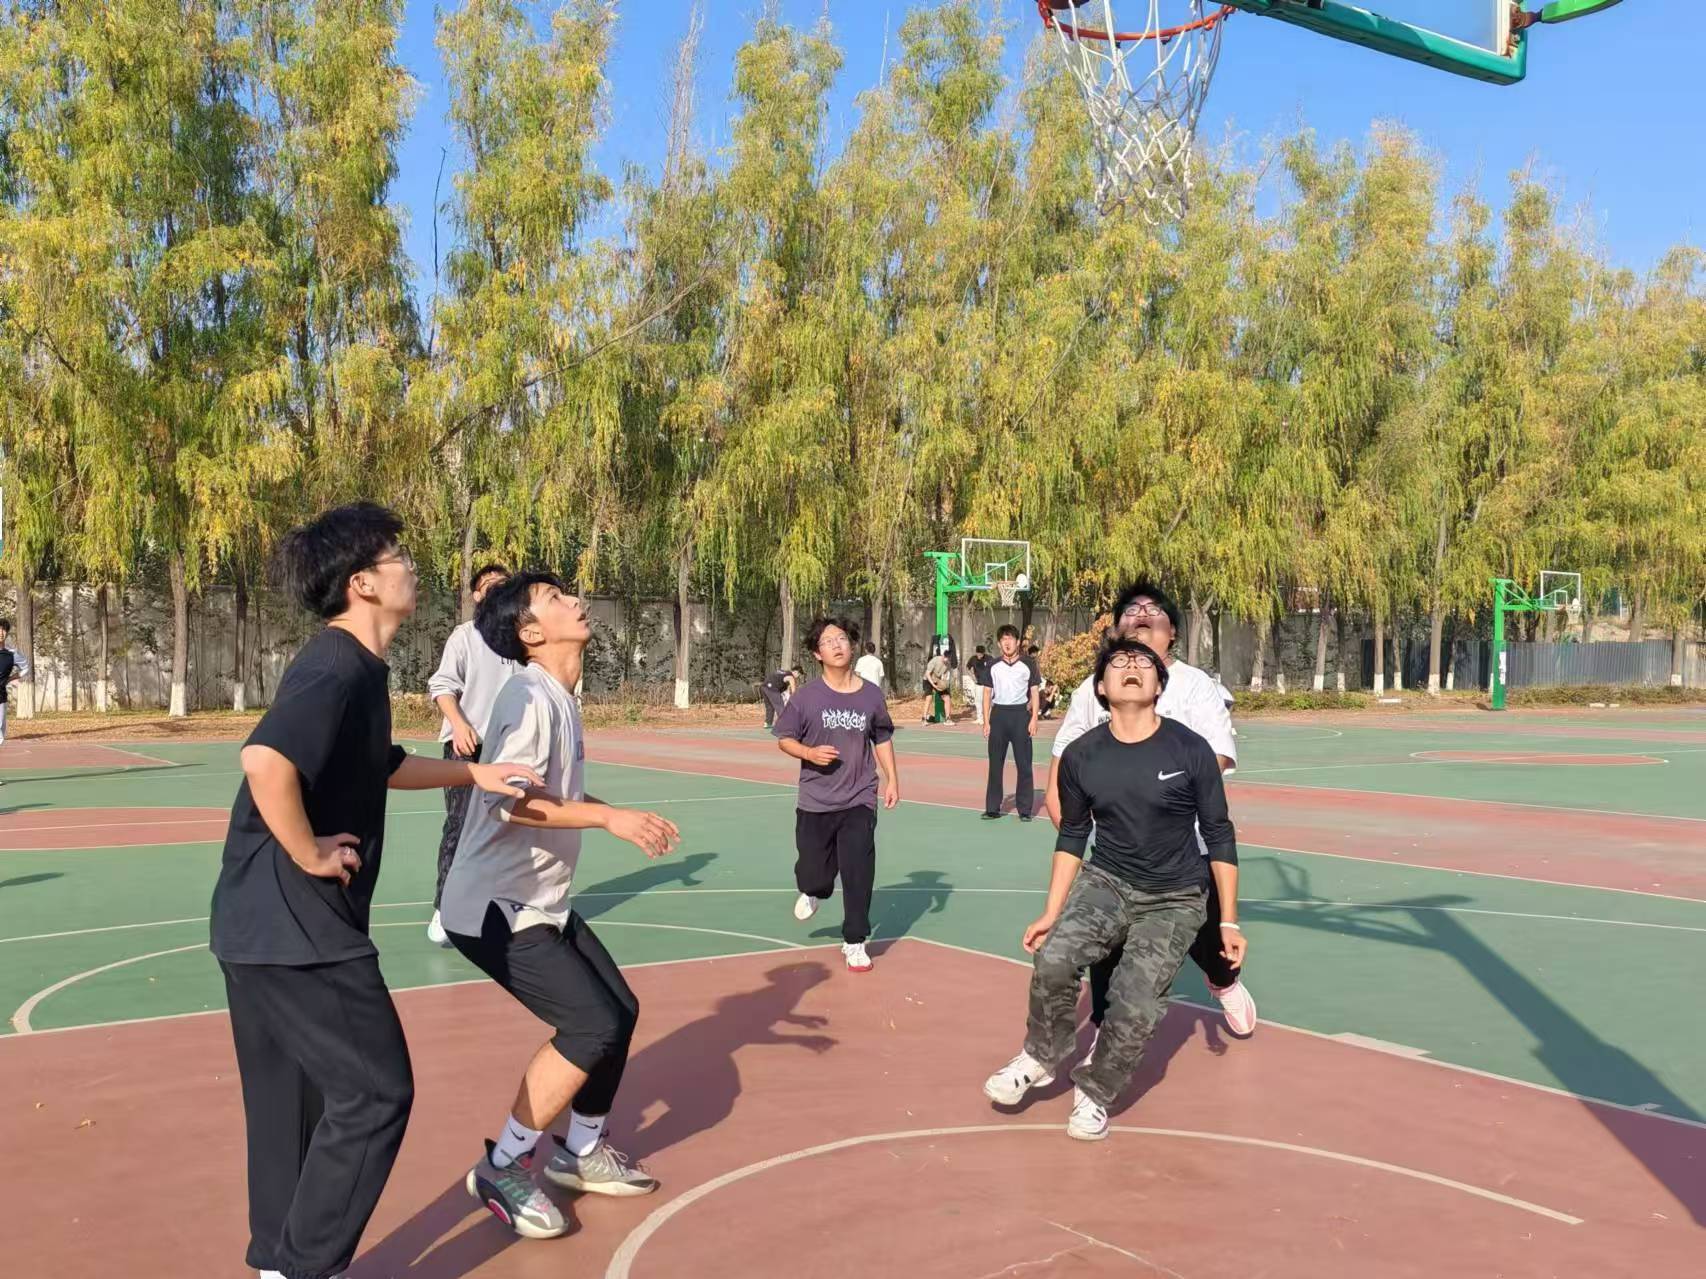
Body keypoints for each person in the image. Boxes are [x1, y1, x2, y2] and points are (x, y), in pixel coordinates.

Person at [208, 503, 541, 1279]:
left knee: (290, 1104)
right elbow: (265, 761)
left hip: (253, 925)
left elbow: (381, 763)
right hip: (299, 925)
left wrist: (475, 772)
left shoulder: (356, 666)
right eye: (397, 557)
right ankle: (307, 1265)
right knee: (375, 1091)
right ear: (362, 582)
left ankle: (279, 1262)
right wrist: (310, 850)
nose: (410, 566)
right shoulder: (336, 665)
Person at [443, 571, 680, 1238]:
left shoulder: (560, 697)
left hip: (539, 901)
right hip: (495, 908)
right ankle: (502, 1165)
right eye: (554, 598)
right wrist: (606, 820)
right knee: (589, 1025)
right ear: (529, 632)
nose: (574, 600)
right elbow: (514, 803)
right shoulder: (527, 697)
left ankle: (580, 1151)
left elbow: (555, 793)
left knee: (618, 1012)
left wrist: (615, 812)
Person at [983, 635, 1244, 1141]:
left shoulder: (1190, 750)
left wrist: (1228, 921)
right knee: (1054, 958)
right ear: (1101, 687)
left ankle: (1096, 1090)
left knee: (1135, 1000)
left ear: (1158, 685)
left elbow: (1219, 833)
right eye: (1118, 661)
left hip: (1175, 897)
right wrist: (1051, 912)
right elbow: (1073, 835)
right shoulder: (1083, 755)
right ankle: (1042, 1055)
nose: (1131, 666)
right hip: (1107, 881)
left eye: (1142, 662)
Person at [1044, 581, 1255, 1037]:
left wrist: (1148, 780)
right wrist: (1067, 820)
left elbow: (1216, 758)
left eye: (1153, 610)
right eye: (1130, 610)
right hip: (1117, 855)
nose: (1140, 614)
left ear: (1172, 631)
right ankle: (1105, 1028)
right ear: (1116, 629)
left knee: (1210, 941)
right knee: (1107, 945)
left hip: (1186, 853)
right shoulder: (1094, 689)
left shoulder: (1196, 687)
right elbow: (1065, 759)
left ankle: (1223, 983)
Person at [775, 616, 900, 972]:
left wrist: (892, 779)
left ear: (852, 644)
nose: (837, 645)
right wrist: (810, 753)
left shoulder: (871, 695)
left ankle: (855, 941)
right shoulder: (807, 697)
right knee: (814, 875)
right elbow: (784, 738)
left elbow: (882, 738)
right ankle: (814, 889)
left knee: (859, 870)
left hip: (860, 797)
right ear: (817, 654)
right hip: (816, 800)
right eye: (828, 641)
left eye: (842, 638)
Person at [424, 563, 516, 946]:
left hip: (509, 750)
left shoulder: (521, 640)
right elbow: (442, 686)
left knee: (509, 828)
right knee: (460, 826)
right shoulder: (465, 636)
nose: (495, 589)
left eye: (502, 584)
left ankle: (498, 906)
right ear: (477, 595)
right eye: (488, 585)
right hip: (467, 746)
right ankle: (444, 909)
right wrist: (459, 724)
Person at [979, 625, 1039, 822]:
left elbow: (1034, 692)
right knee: (995, 764)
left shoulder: (1028, 664)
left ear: (1018, 642)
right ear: (999, 643)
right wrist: (986, 721)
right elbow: (986, 693)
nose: (1007, 643)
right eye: (1003, 639)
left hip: (1020, 716)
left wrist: (1034, 718)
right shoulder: (993, 665)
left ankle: (1025, 810)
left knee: (1024, 765)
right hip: (998, 716)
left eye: (1011, 639)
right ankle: (992, 808)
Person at [0, 618, 29, 785]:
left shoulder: (11, 654)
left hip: (0, 699)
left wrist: (11, 678)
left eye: (3, 630)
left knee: (0, 735)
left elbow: (25, 668)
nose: (1, 633)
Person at [923, 641, 952, 725]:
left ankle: (948, 719)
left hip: (937, 680)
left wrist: (944, 685)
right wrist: (933, 685)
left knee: (947, 698)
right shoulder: (935, 660)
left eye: (948, 659)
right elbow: (927, 673)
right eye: (945, 658)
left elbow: (945, 676)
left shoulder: (948, 664)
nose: (946, 660)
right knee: (929, 697)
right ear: (943, 655)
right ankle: (923, 719)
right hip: (928, 680)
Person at [963, 645, 990, 727]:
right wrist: (972, 676)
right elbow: (967, 668)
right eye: (978, 654)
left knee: (987, 701)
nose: (979, 656)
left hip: (988, 684)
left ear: (983, 653)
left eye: (981, 654)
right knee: (978, 701)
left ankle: (987, 718)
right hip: (978, 683)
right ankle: (979, 718)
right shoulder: (973, 659)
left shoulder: (989, 658)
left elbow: (995, 668)